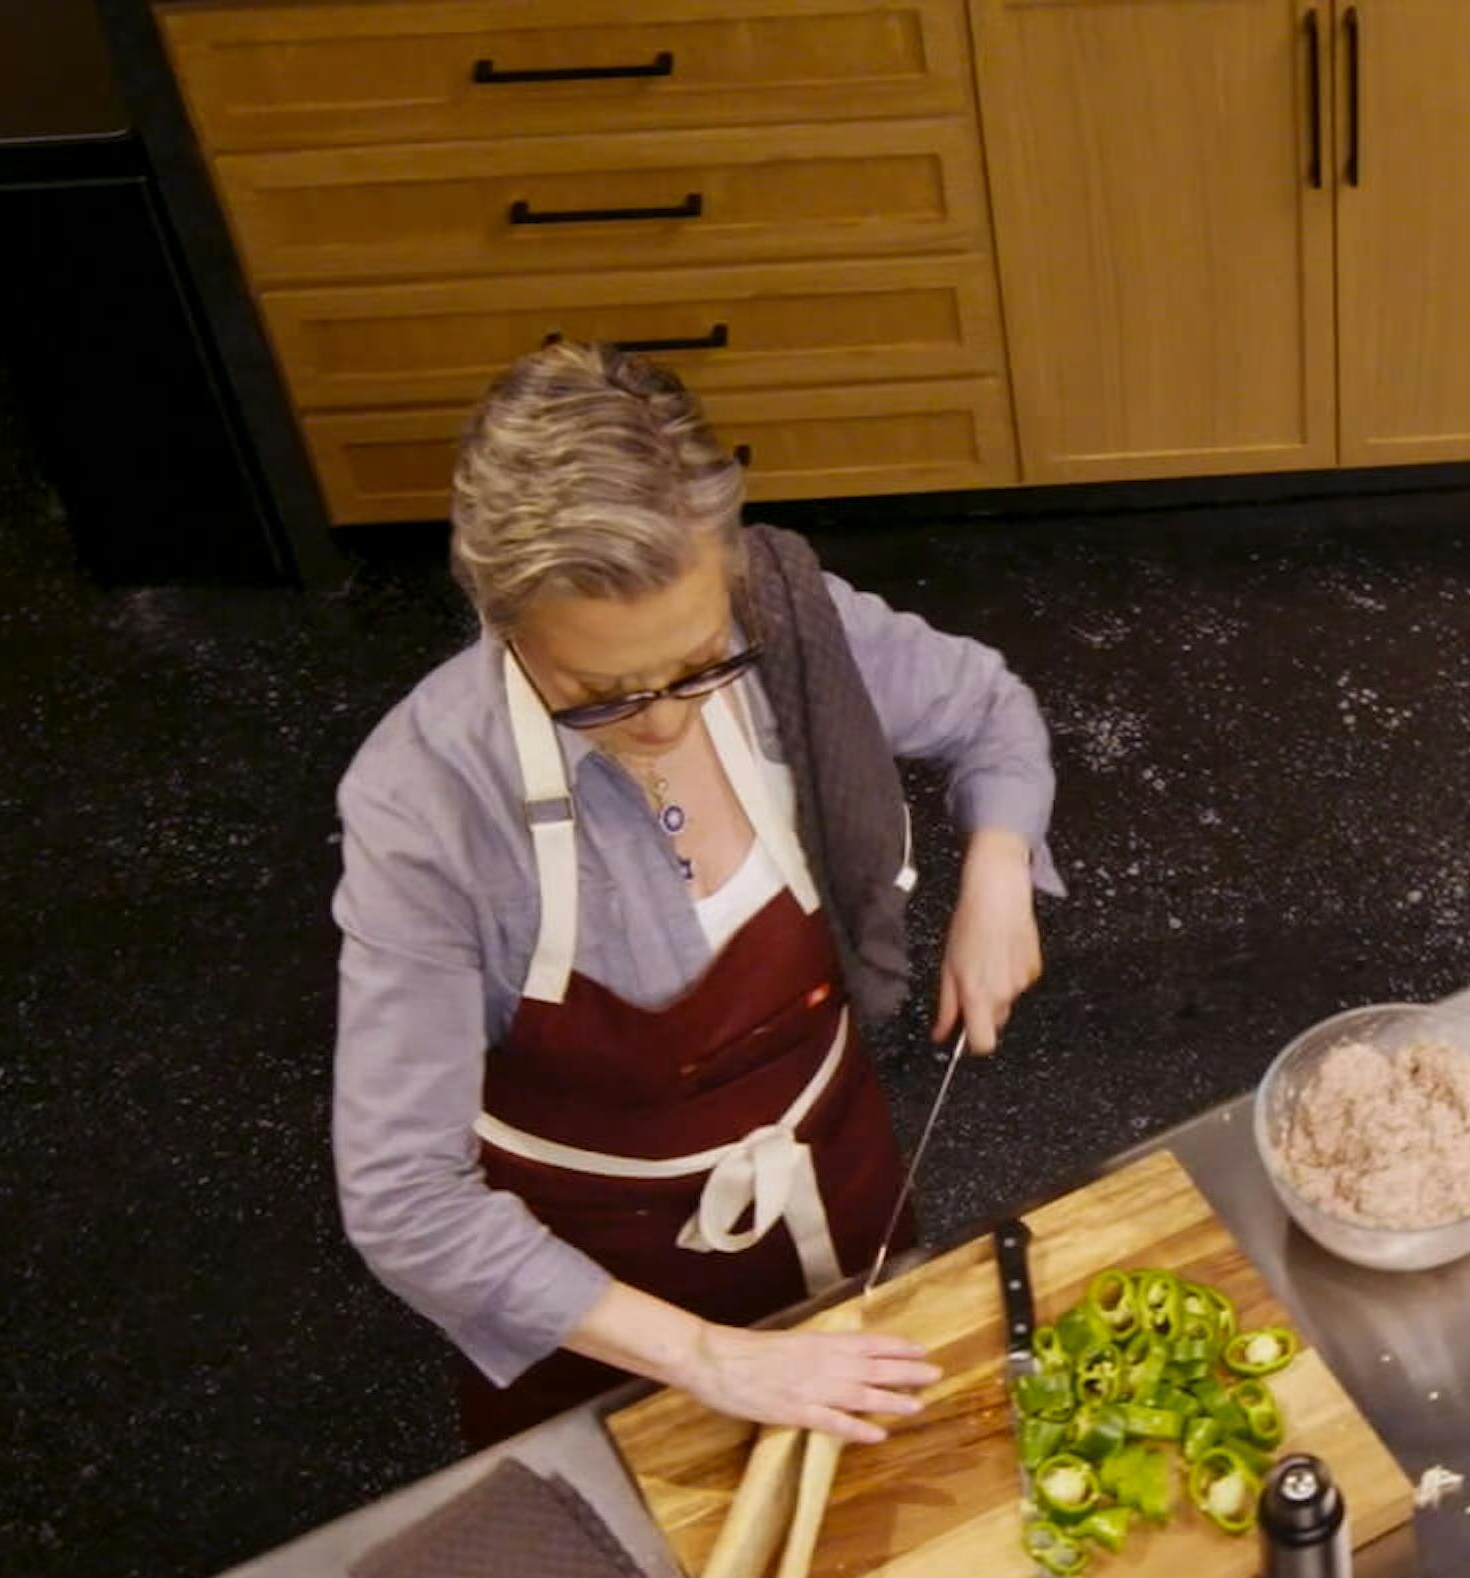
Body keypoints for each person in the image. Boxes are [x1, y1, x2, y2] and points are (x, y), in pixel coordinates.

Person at [330, 342, 1055, 1445]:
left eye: (698, 663)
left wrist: (999, 867)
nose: (667, 722)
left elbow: (988, 712)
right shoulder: (428, 803)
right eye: (599, 694)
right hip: (597, 1291)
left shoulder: (789, 618)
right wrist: (705, 1360)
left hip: (835, 1178)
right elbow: (404, 1199)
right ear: (503, 621)